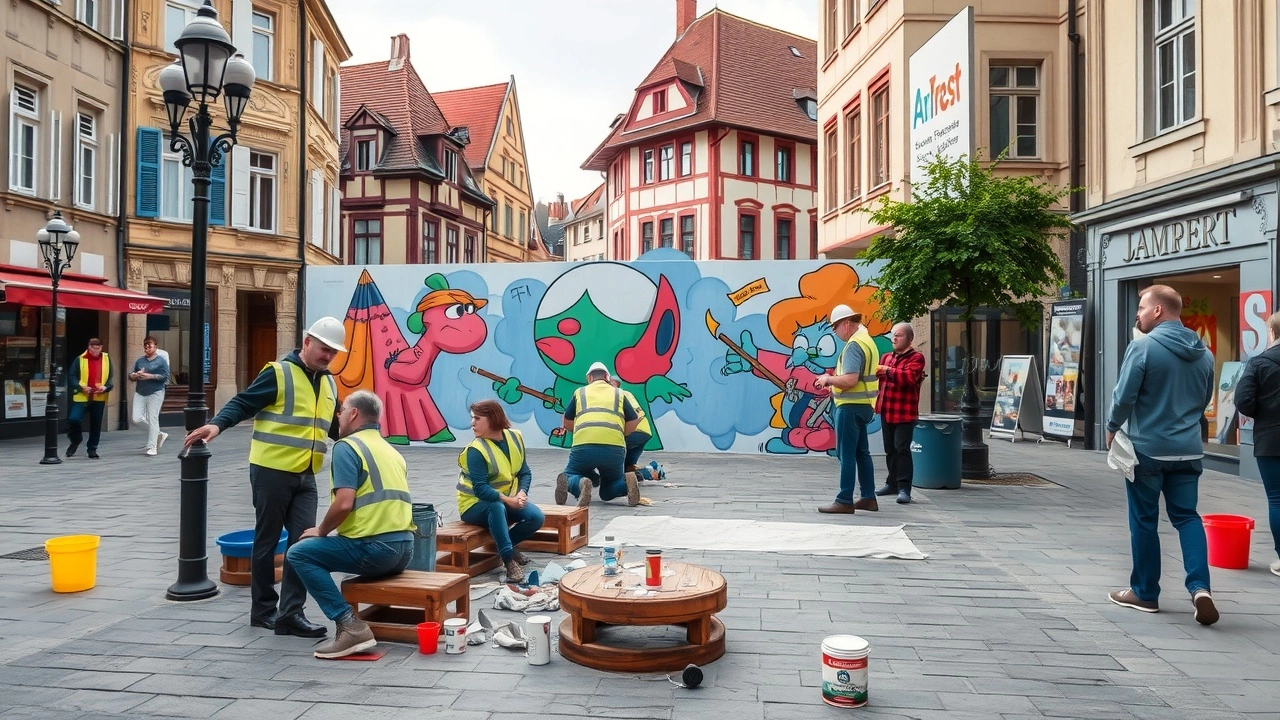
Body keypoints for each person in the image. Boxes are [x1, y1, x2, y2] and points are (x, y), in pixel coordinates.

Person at [183, 317, 346, 638]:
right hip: (272, 470)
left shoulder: (328, 383)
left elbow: (335, 428)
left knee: (305, 544)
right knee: (267, 540)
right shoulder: (279, 372)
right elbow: (244, 403)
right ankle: (262, 611)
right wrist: (216, 425)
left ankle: (290, 615)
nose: (328, 357)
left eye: (333, 353)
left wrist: (367, 436)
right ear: (307, 342)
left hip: (306, 474)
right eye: (324, 349)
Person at [1106, 285, 1218, 625]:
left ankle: (1145, 593)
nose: (1137, 313)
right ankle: (1200, 588)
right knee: (1187, 517)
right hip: (1187, 451)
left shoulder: (1143, 348)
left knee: (1143, 520)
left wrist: (1111, 426)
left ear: (1158, 310)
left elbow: (1124, 396)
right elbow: (1203, 400)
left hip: (1148, 451)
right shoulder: (1205, 354)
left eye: (1141, 307)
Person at [286, 389, 415, 659]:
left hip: (376, 549)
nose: (339, 416)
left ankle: (349, 625)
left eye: (342, 411)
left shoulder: (348, 446)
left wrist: (320, 531)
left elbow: (344, 502)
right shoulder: (390, 450)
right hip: (405, 550)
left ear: (354, 413)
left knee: (299, 553)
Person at [457, 399, 545, 583]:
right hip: (473, 505)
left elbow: (524, 472)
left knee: (536, 517)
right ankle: (508, 560)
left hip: (505, 500)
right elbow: (480, 490)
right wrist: (508, 500)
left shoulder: (514, 438)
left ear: (493, 419)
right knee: (496, 508)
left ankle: (507, 546)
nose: (472, 423)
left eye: (477, 418)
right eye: (473, 418)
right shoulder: (475, 450)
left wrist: (522, 493)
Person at [814, 304, 879, 514]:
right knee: (862, 453)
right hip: (864, 406)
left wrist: (828, 379)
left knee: (846, 454)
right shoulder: (868, 341)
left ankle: (844, 499)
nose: (834, 331)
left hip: (849, 406)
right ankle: (869, 497)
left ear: (847, 323)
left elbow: (851, 379)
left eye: (835, 326)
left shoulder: (853, 345)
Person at [555, 362, 641, 507]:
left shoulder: (580, 392)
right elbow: (634, 420)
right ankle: (625, 485)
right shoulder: (619, 393)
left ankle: (580, 484)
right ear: (607, 377)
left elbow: (567, 421)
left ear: (589, 378)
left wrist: (581, 431)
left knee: (570, 474)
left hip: (584, 447)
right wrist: (620, 433)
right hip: (614, 448)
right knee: (609, 489)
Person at [1234, 310, 1280, 578]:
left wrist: (1261, 412)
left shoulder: (1259, 363)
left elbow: (1243, 401)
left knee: (1277, 499)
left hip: (1271, 439)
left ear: (1271, 333)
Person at [874, 322, 925, 504]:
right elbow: (879, 378)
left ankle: (904, 488)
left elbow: (909, 378)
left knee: (902, 449)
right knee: (890, 450)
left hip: (905, 412)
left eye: (899, 335)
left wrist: (887, 371)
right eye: (893, 335)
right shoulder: (886, 357)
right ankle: (892, 483)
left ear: (909, 339)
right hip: (886, 410)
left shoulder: (917, 357)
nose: (894, 338)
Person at [67, 338, 112, 459]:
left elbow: (111, 378)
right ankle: (76, 439)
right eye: (93, 349)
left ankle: (92, 448)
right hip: (82, 395)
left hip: (99, 395)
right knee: (74, 419)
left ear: (101, 347)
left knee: (96, 424)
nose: (95, 351)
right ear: (89, 347)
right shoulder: (80, 359)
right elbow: (71, 376)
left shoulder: (107, 359)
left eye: (98, 349)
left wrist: (106, 387)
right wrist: (81, 387)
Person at [130, 336, 170, 456]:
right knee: (136, 418)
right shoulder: (140, 361)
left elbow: (166, 377)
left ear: (155, 347)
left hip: (156, 392)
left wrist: (150, 376)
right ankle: (158, 434)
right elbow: (130, 375)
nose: (147, 348)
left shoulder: (161, 361)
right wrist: (134, 375)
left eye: (150, 346)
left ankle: (153, 446)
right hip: (140, 391)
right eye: (145, 346)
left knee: (153, 418)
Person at [610, 377, 653, 478]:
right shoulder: (627, 393)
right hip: (645, 432)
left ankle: (614, 481)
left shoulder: (618, 395)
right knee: (628, 468)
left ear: (614, 384)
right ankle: (645, 475)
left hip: (635, 431)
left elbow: (635, 415)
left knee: (611, 454)